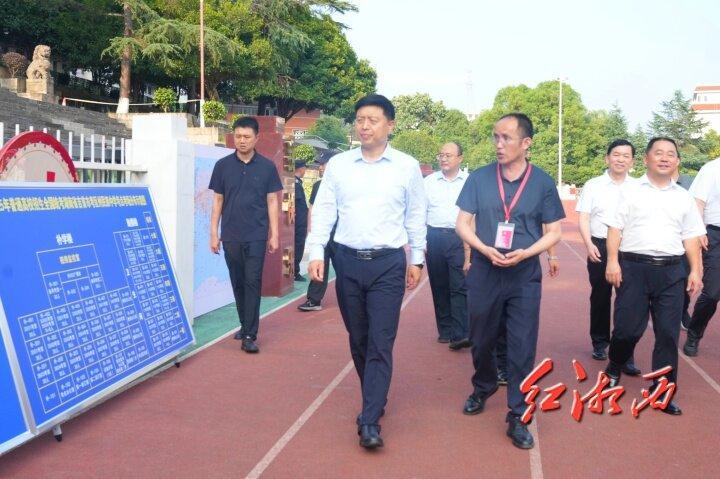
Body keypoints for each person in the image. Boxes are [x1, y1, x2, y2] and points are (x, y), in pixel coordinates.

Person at [306, 94, 426, 449]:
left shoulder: (406, 167)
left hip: (388, 264)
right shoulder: (340, 165)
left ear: (390, 125)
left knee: (380, 341)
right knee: (358, 338)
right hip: (347, 261)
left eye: (372, 120)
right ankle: (375, 396)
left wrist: (417, 259)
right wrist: (316, 251)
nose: (364, 126)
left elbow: (415, 215)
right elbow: (324, 210)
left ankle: (370, 419)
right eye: (360, 119)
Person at [455, 113, 564, 450]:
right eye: (496, 137)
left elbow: (554, 231)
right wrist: (483, 248)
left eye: (506, 138)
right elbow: (462, 223)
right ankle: (484, 384)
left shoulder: (542, 182)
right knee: (481, 337)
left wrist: (527, 252)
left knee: (522, 344)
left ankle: (518, 413)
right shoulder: (479, 178)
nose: (499, 144)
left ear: (526, 143)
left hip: (523, 274)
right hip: (485, 270)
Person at [603, 137, 705, 415]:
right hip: (634, 268)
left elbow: (691, 236)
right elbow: (615, 229)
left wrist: (696, 270)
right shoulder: (629, 191)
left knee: (668, 335)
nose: (664, 158)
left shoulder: (683, 196)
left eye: (670, 154)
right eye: (658, 153)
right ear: (646, 159)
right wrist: (612, 262)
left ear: (677, 161)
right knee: (627, 330)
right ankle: (615, 365)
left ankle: (662, 391)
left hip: (672, 272)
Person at [209, 116, 283, 354]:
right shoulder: (222, 166)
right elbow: (217, 201)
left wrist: (274, 234)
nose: (242, 141)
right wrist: (213, 233)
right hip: (230, 234)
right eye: (238, 136)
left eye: (247, 137)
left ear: (256, 138)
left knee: (252, 282)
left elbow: (272, 201)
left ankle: (250, 334)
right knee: (238, 282)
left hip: (256, 235)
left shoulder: (267, 167)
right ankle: (244, 324)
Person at [575, 140, 640, 375]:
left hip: (629, 248)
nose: (620, 159)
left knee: (629, 301)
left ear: (632, 161)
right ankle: (600, 342)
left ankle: (624, 353)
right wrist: (588, 244)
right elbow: (584, 217)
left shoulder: (639, 187)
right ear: (607, 158)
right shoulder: (593, 185)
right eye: (616, 154)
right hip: (600, 246)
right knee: (601, 296)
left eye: (626, 156)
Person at [424, 142, 470, 350]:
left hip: (460, 238)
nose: (443, 158)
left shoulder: (469, 182)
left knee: (459, 285)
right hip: (434, 237)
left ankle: (460, 333)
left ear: (460, 158)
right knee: (439, 284)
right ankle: (445, 330)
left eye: (448, 155)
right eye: (441, 155)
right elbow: (420, 211)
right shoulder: (429, 182)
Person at [684, 157, 720, 356]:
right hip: (716, 234)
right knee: (712, 293)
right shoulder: (712, 169)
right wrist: (698, 231)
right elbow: (697, 202)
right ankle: (694, 334)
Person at [298, 151, 337, 311]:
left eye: (323, 164)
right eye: (320, 164)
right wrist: (310, 228)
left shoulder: (347, 184)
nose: (320, 167)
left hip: (342, 235)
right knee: (318, 263)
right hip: (322, 233)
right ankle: (314, 300)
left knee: (346, 268)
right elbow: (312, 208)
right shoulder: (317, 186)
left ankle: (353, 298)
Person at [294, 160, 308, 281]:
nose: (305, 171)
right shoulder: (296, 184)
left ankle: (294, 271)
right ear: (301, 169)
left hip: (299, 222)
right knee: (298, 246)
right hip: (298, 223)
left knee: (298, 246)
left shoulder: (297, 183)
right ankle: (295, 271)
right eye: (305, 168)